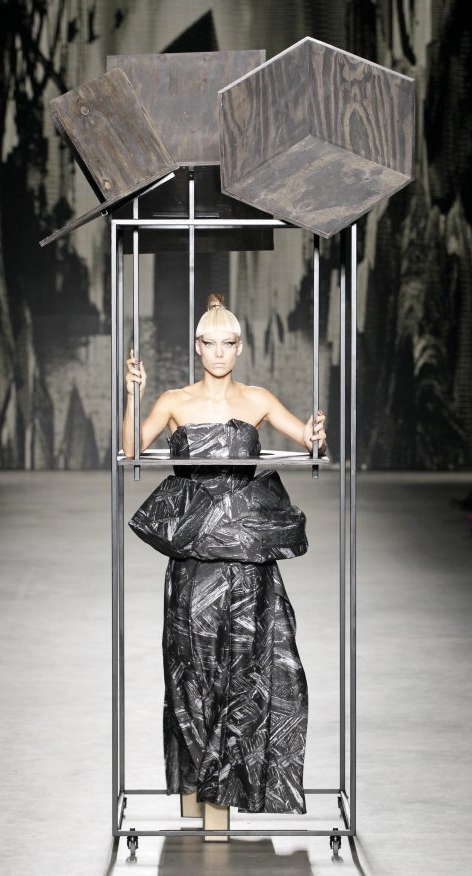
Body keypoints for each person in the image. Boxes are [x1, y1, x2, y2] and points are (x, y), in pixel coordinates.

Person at [123, 294, 327, 842]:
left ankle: (222, 794)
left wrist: (315, 434)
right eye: (209, 343)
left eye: (228, 343)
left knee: (246, 670)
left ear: (240, 346)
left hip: (246, 559)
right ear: (197, 346)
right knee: (191, 670)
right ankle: (199, 788)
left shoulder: (258, 399)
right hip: (194, 562)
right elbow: (131, 450)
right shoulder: (174, 400)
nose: (218, 352)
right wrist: (133, 395)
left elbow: (306, 443)